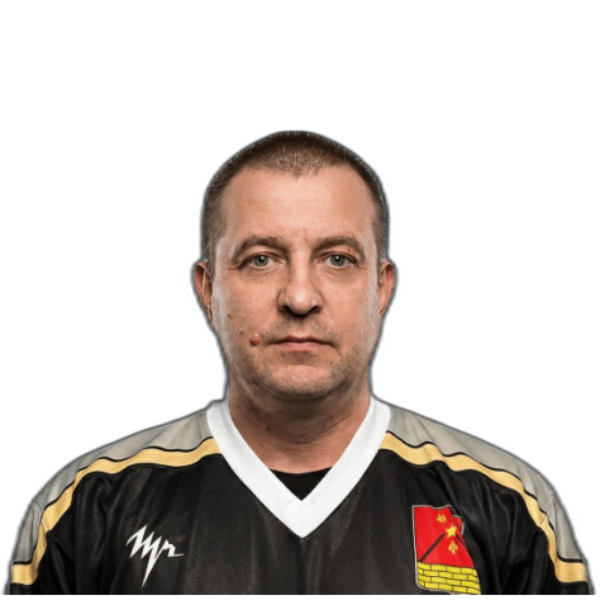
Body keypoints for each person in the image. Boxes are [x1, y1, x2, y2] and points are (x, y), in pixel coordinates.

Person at [7, 131, 591, 596]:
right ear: (208, 290)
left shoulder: (506, 506)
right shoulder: (89, 509)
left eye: (337, 259)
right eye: (262, 259)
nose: (301, 297)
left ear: (381, 287)